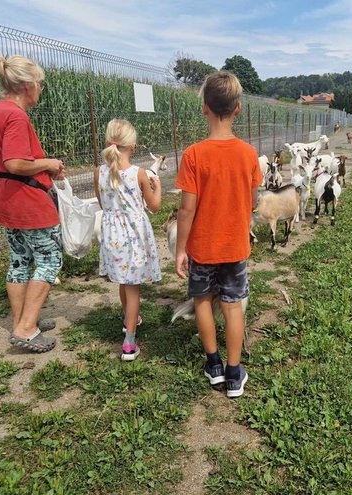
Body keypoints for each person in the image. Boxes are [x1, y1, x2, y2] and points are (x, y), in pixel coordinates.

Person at [175, 71, 262, 398]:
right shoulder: (249, 154)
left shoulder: (194, 155)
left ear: (204, 108)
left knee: (202, 302)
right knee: (232, 306)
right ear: (238, 109)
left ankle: (213, 366)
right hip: (235, 248)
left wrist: (181, 249)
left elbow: (186, 210)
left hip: (203, 248)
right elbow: (253, 200)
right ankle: (234, 372)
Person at [0, 54, 65, 353]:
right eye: (40, 84)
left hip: (7, 198)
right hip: (27, 199)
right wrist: (50, 162)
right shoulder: (16, 115)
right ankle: (27, 327)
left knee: (19, 260)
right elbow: (15, 162)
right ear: (28, 85)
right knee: (49, 260)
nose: (40, 90)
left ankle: (21, 319)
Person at [94, 119, 162, 361]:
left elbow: (103, 205)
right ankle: (129, 343)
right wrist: (158, 187)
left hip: (113, 237)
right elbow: (154, 207)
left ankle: (128, 319)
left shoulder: (99, 173)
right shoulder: (139, 174)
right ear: (132, 146)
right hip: (133, 238)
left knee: (124, 282)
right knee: (133, 289)